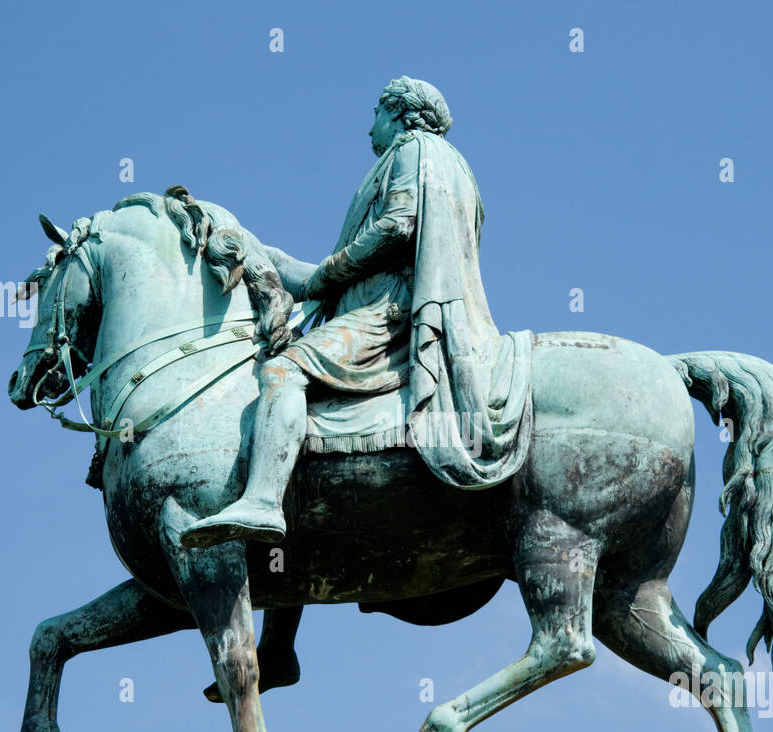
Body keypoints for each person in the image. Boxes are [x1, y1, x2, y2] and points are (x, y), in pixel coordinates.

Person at [181, 76, 532, 549]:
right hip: (391, 301)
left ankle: (263, 500)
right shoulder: (452, 165)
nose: (370, 127)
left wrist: (325, 274)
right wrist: (269, 256)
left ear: (400, 114)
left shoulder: (414, 150)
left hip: (391, 310)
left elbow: (398, 226)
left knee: (284, 370)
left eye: (376, 114)